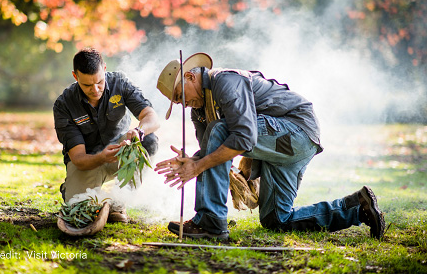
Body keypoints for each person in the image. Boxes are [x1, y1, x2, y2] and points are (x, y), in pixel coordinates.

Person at [155, 52, 385, 240]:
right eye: (176, 102)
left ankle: (210, 221)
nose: (182, 105)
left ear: (190, 77)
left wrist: (199, 165)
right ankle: (356, 208)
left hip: (297, 131)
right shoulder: (199, 111)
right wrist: (193, 161)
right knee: (276, 220)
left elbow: (243, 138)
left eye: (179, 96)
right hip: (284, 145)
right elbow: (212, 154)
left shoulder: (225, 80)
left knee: (221, 129)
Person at [53, 47, 160, 223]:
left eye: (99, 82)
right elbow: (78, 158)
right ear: (75, 76)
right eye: (87, 85)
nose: (95, 90)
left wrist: (138, 131)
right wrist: (102, 157)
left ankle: (118, 203)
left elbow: (152, 118)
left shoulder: (120, 83)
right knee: (78, 211)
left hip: (121, 152)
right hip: (88, 161)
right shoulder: (64, 104)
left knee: (149, 140)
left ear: (104, 69)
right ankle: (74, 191)